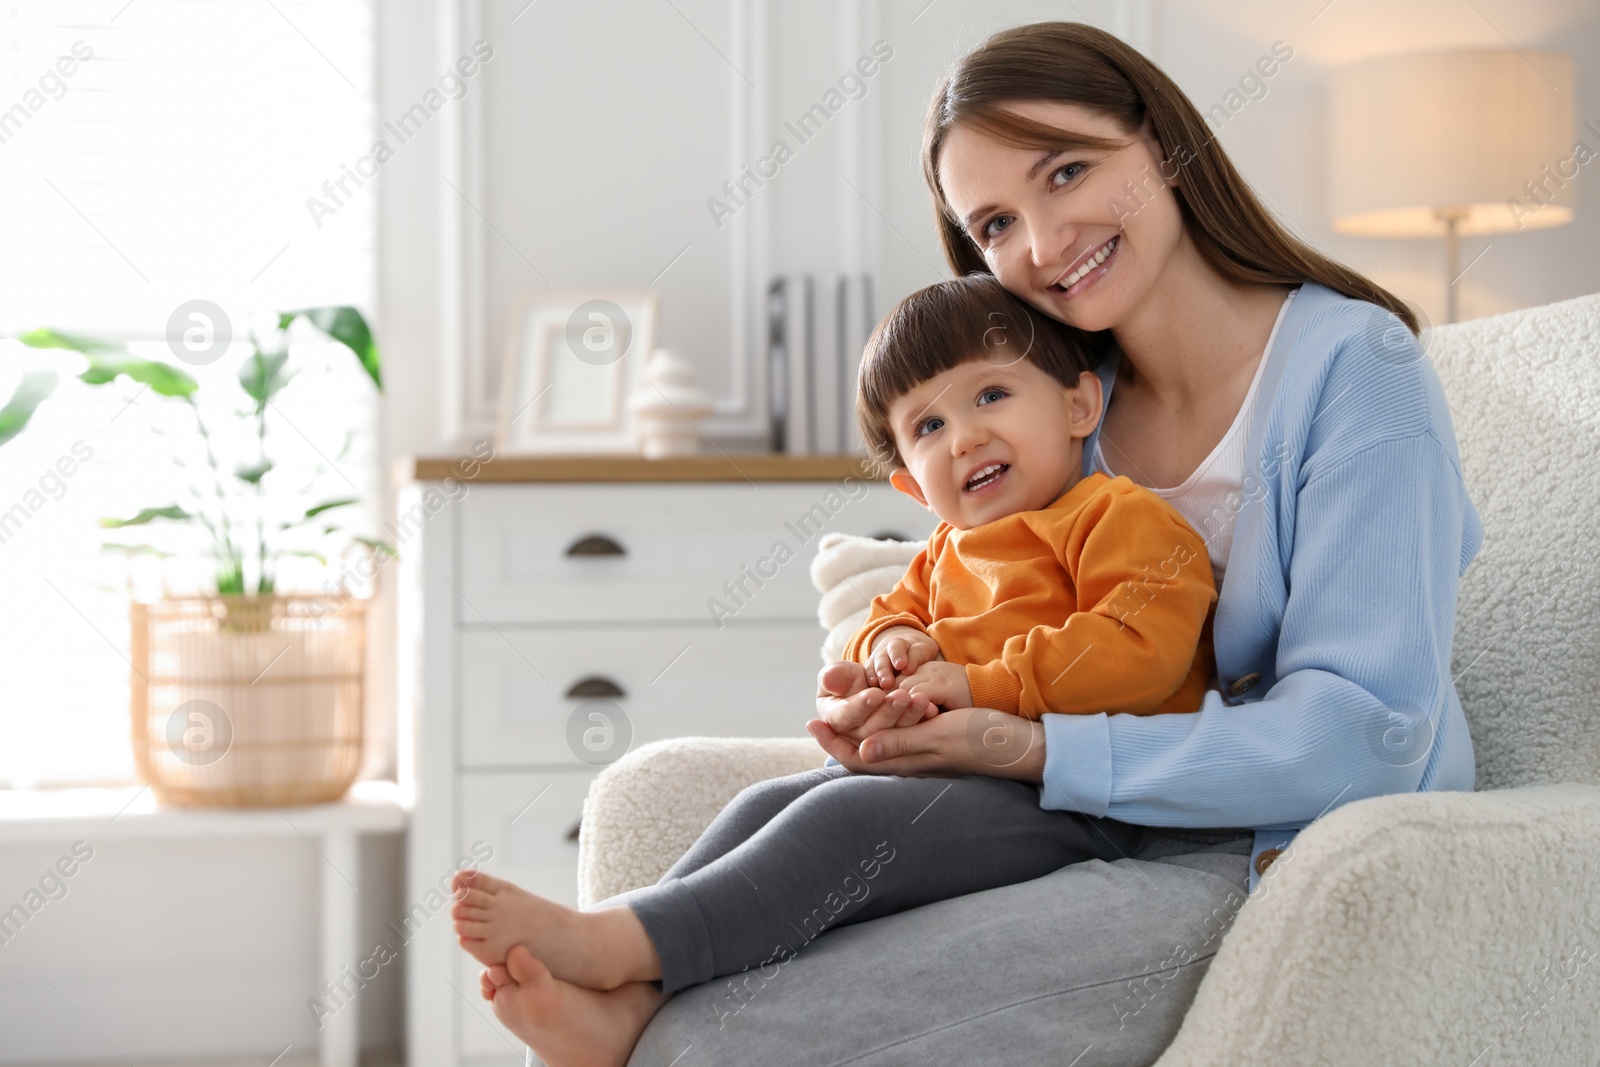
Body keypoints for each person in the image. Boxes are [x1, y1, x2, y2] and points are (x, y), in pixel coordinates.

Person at [460, 20, 1481, 1067]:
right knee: (778, 842)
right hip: (1057, 806)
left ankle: (637, 999)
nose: (1041, 245)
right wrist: (887, 685)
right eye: (994, 222)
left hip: (1264, 846)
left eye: (1067, 171)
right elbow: (965, 602)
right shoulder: (1052, 405)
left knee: (731, 1038)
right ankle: (633, 976)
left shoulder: (1357, 371)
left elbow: (1368, 734)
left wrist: (1026, 740)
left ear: (1161, 142)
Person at [448, 272, 1229, 1063]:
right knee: (769, 806)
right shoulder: (943, 554)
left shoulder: (1115, 515)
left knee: (845, 823)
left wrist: (972, 683)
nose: (963, 437)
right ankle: (633, 995)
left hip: (1091, 801)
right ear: (909, 484)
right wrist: (884, 656)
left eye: (991, 395)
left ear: (1078, 405)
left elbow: (1140, 651)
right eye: (928, 424)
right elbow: (888, 620)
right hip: (965, 782)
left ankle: (616, 942)